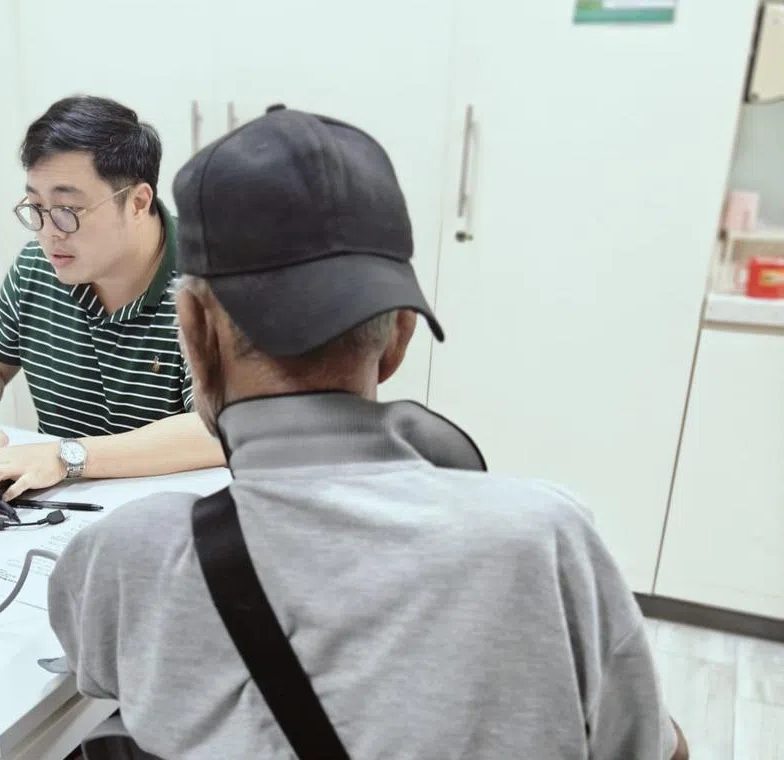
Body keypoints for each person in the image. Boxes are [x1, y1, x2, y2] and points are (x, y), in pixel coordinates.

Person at [46, 106, 690, 759]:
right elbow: (659, 750)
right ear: (400, 337)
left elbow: (98, 682)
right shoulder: (546, 540)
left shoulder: (124, 556)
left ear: (193, 328)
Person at [0, 95, 224, 501]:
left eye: (67, 210)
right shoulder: (39, 267)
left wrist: (67, 457)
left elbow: (216, 429)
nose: (49, 232)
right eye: (36, 207)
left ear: (138, 202)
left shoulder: (210, 281)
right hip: (58, 510)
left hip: (172, 517)